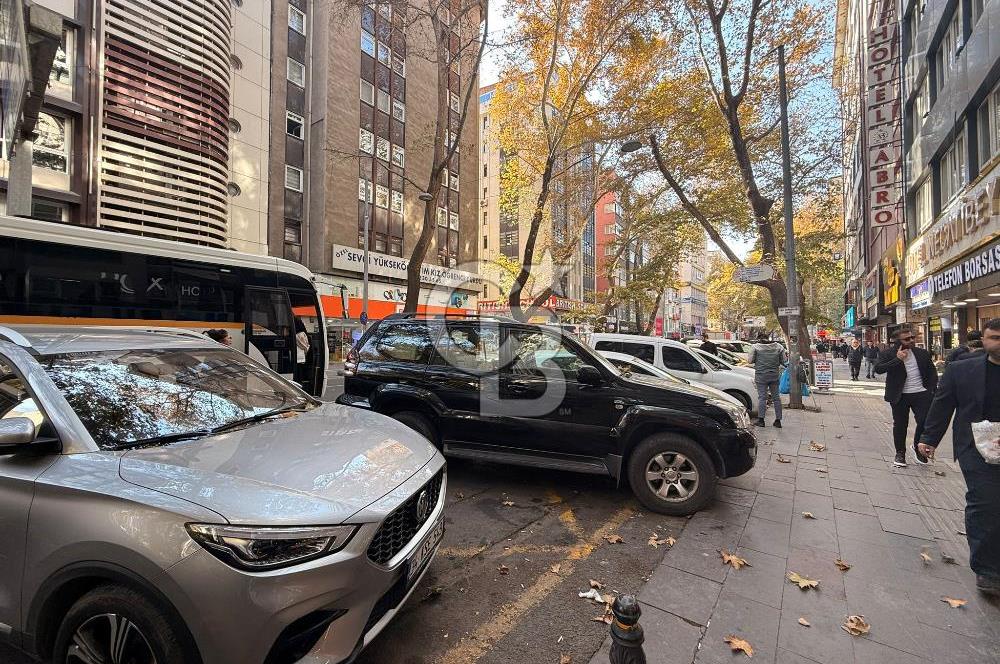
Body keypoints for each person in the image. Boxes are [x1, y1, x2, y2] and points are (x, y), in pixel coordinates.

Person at [918, 318, 1000, 598]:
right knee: (986, 503)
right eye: (994, 338)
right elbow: (943, 405)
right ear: (984, 340)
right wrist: (929, 438)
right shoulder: (961, 370)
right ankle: (987, 569)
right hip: (976, 448)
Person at [875, 326, 938, 467]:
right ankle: (900, 453)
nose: (911, 340)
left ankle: (917, 448)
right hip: (899, 395)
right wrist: (897, 359)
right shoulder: (888, 353)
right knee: (900, 425)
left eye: (912, 337)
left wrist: (932, 390)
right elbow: (878, 369)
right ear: (898, 341)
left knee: (924, 422)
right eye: (907, 339)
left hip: (921, 394)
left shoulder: (922, 353)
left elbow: (932, 373)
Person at [748, 332, 788, 428]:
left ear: (759, 339)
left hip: (761, 376)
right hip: (774, 375)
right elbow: (784, 361)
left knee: (762, 397)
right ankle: (778, 421)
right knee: (776, 398)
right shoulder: (778, 347)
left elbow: (750, 361)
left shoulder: (755, 347)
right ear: (768, 338)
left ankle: (761, 420)